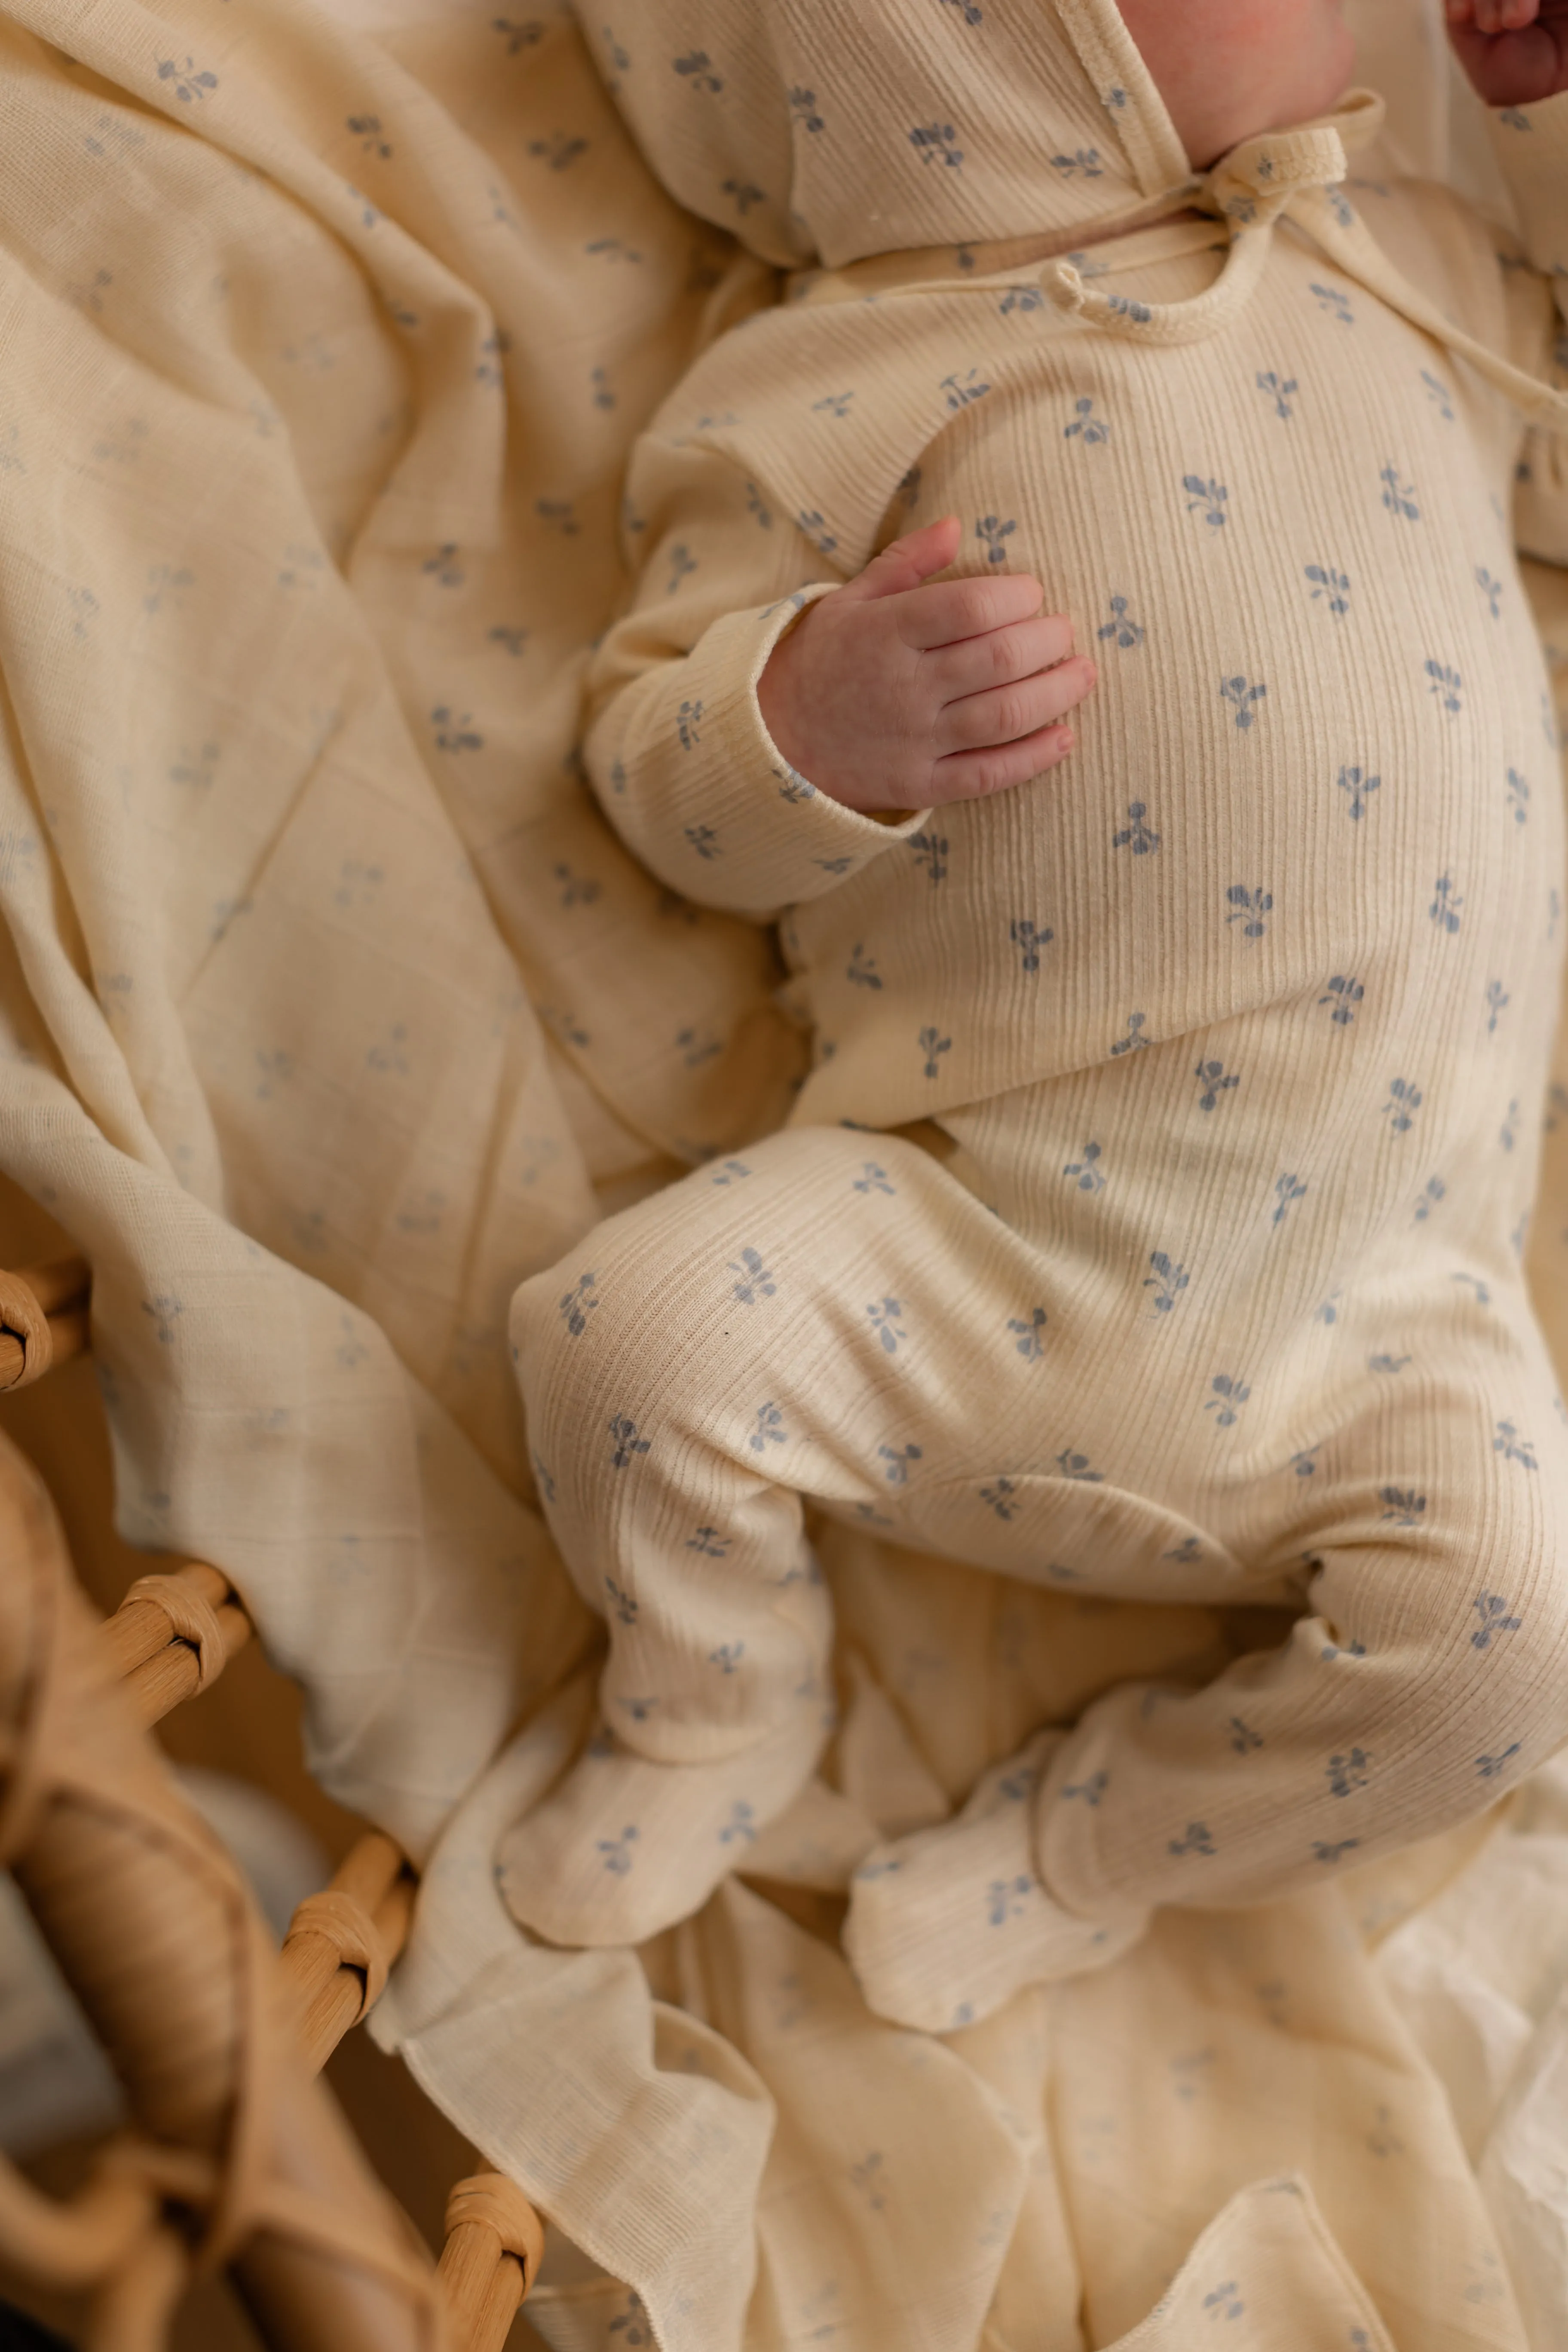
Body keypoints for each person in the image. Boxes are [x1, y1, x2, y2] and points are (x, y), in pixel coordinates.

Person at [498, 0, 1568, 2035]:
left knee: (1524, 1649)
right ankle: (715, 1693)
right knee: (619, 1345)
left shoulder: (1414, 259)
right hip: (970, 1238)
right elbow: (655, 768)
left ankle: (1098, 1842)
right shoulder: (830, 378)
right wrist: (803, 720)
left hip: (1398, 1325)